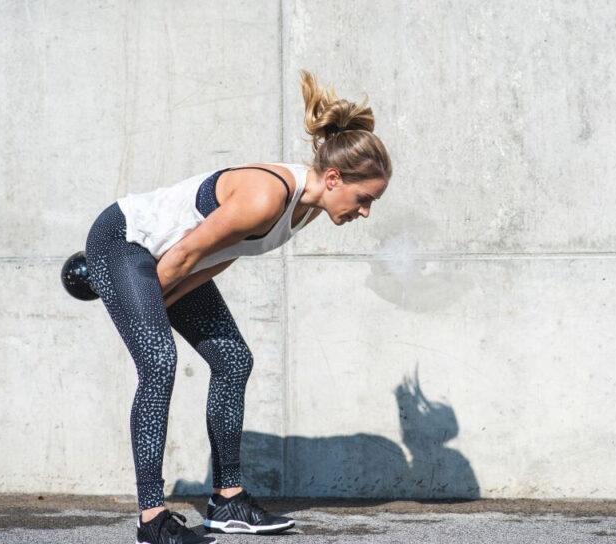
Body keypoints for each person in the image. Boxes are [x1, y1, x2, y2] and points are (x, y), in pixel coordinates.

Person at [83, 70, 391, 543]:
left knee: (233, 359)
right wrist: (142, 314)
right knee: (160, 361)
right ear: (334, 178)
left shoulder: (305, 209)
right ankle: (151, 521)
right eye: (364, 198)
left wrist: (158, 306)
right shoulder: (268, 195)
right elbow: (182, 254)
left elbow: (219, 257)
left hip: (172, 261)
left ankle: (227, 501)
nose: (364, 210)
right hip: (124, 241)